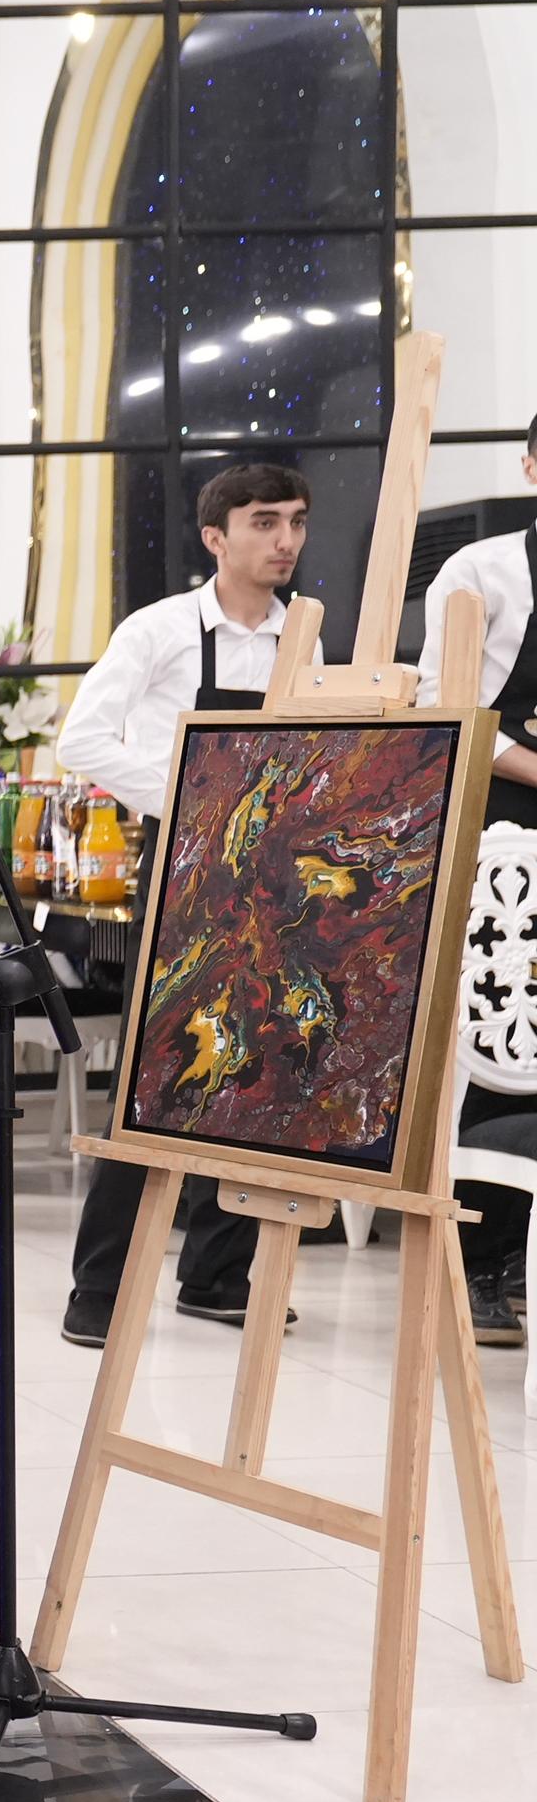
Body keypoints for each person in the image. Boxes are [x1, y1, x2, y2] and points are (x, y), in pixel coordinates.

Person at [52, 463, 317, 1349]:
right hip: (183, 863)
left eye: (296, 522)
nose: (285, 539)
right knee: (153, 1074)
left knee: (252, 1068)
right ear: (215, 537)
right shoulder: (161, 629)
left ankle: (215, 1275)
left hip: (270, 872)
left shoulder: (304, 636)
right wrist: (192, 796)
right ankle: (99, 1287)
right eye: (264, 522)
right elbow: (82, 738)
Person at [413, 410, 537, 1351]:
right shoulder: (481, 571)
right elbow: (444, 706)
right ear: (531, 466)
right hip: (501, 831)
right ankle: (486, 1263)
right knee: (502, 1041)